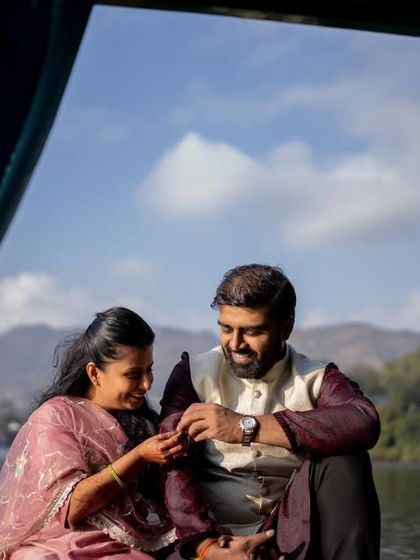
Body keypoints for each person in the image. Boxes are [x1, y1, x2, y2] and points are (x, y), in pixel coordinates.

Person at [160, 264, 381, 560]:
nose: (235, 344)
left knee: (346, 458)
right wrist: (206, 547)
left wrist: (244, 427)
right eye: (226, 328)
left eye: (251, 331)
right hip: (207, 538)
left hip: (292, 532)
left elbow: (362, 421)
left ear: (285, 327)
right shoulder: (192, 373)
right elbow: (171, 462)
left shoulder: (317, 378)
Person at [0, 307, 188, 559]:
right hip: (63, 546)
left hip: (135, 544)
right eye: (133, 374)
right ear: (94, 373)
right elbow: (72, 508)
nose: (147, 384)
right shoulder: (56, 418)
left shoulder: (142, 421)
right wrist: (138, 458)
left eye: (149, 370)